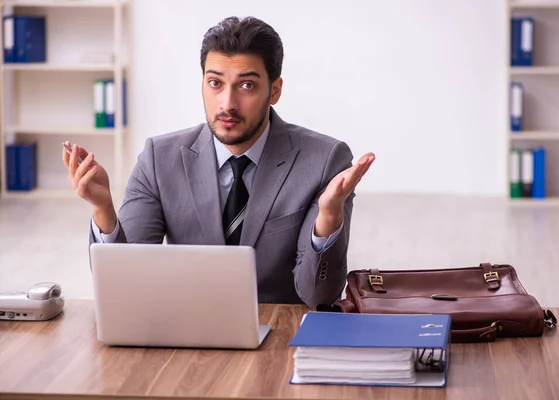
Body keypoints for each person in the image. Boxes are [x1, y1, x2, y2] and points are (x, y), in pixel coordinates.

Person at [62, 16, 375, 308]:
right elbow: (125, 288)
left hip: (281, 335)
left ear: (274, 90)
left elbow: (318, 296)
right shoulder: (160, 158)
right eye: (215, 83)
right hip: (189, 330)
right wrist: (103, 209)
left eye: (247, 85)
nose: (227, 104)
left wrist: (329, 216)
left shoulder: (323, 160)